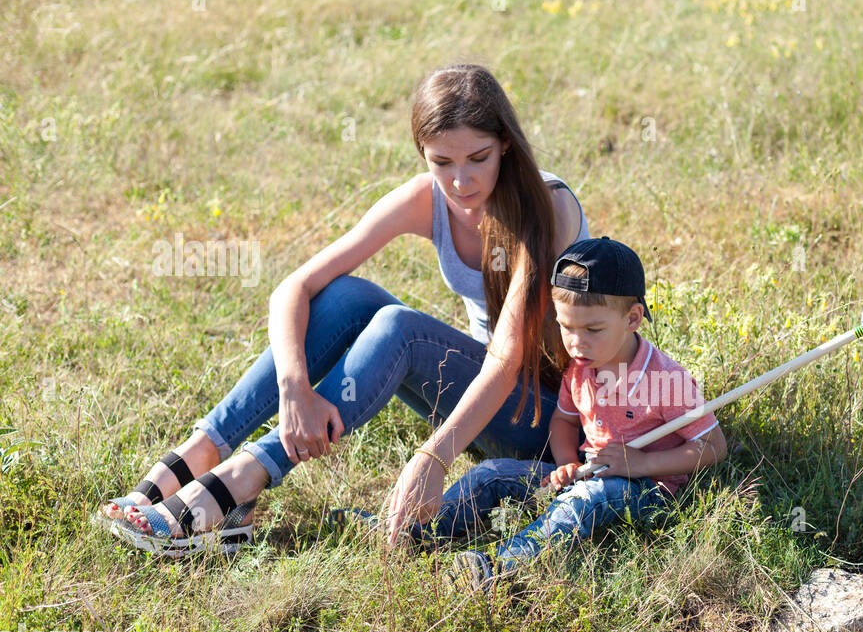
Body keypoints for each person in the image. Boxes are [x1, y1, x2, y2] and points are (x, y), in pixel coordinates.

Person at [95, 63, 589, 553]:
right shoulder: (428, 200)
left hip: (555, 424)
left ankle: (241, 479)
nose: (460, 182)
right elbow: (295, 286)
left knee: (403, 329)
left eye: (478, 158)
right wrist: (293, 390)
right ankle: (201, 451)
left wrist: (433, 460)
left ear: (505, 142)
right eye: (441, 163)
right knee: (349, 296)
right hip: (485, 408)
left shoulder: (547, 206)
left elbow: (506, 359)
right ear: (422, 154)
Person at [418, 236, 728, 591]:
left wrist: (639, 464)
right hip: (587, 473)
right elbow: (564, 420)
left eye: (593, 329)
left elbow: (712, 447)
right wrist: (566, 463)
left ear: (632, 318)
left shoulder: (666, 380)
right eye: (566, 327)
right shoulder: (581, 367)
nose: (576, 342)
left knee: (586, 500)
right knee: (493, 472)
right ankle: (417, 529)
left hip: (648, 490)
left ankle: (501, 566)